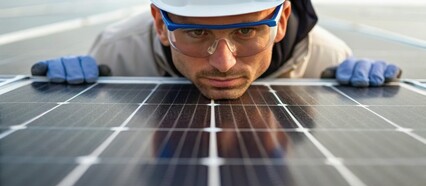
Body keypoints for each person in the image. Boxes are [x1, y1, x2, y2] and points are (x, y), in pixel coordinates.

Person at [31, 0, 401, 100]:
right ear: (160, 24)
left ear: (283, 20)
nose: (223, 64)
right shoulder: (117, 53)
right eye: (195, 32)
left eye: (246, 30)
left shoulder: (329, 59)